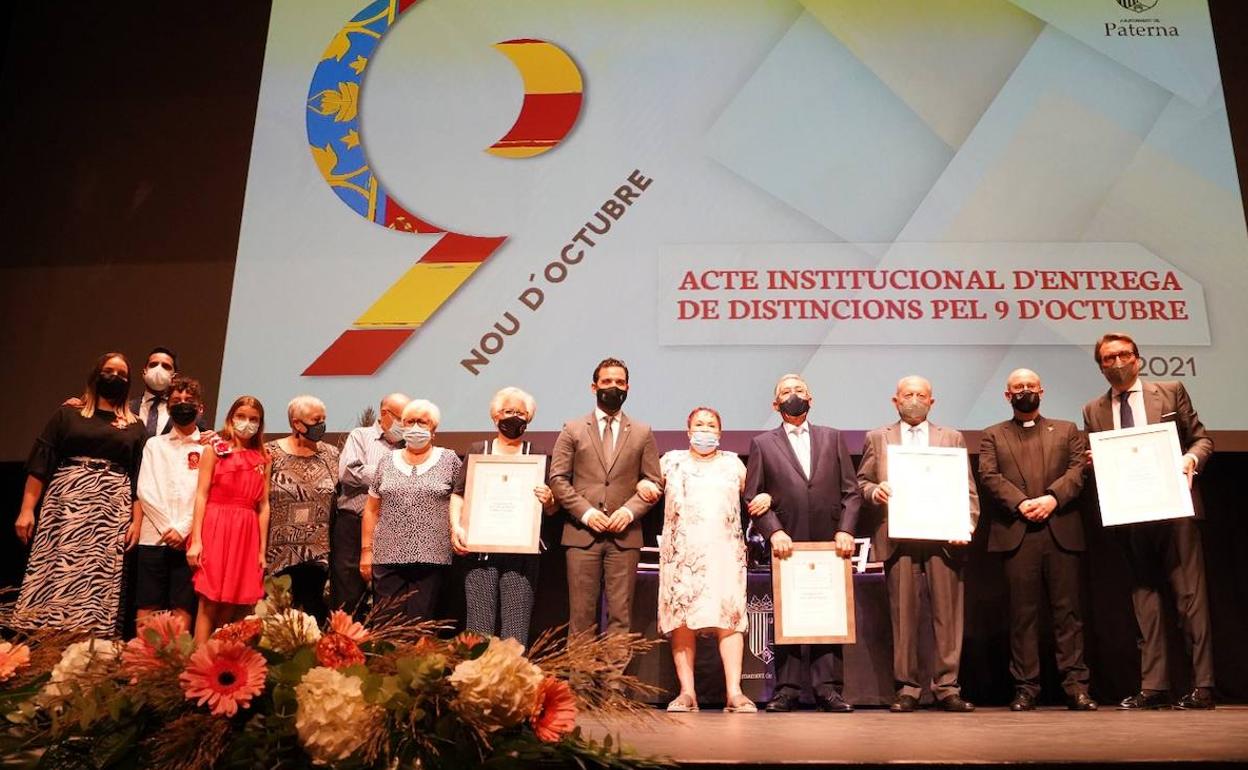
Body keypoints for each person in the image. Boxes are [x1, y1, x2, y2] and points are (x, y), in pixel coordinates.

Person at [1082, 332, 1216, 710]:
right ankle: (1153, 686)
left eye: (1124, 354)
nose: (1117, 362)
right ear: (1101, 367)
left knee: (1190, 598)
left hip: (1174, 507)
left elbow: (1201, 440)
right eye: (1109, 358)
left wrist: (1190, 460)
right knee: (1145, 600)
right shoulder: (1094, 410)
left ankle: (1202, 685)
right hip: (1131, 512)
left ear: (1138, 359)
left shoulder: (1170, 391)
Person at [857, 375, 979, 713]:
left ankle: (947, 687)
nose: (914, 399)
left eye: (920, 394)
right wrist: (873, 491)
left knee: (948, 615)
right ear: (895, 400)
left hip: (943, 536)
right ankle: (907, 687)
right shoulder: (877, 437)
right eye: (907, 394)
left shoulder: (951, 437)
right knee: (903, 615)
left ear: (932, 401)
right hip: (899, 535)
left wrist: (965, 525)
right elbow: (862, 482)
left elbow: (966, 487)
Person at [978, 369, 1096, 711]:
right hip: (1018, 533)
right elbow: (988, 475)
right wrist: (1021, 502)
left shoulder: (1067, 430)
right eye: (1018, 387)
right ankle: (1026, 688)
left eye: (1030, 386)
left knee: (1068, 614)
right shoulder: (992, 435)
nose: (1024, 391)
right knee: (1022, 616)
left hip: (1060, 529)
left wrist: (1052, 499)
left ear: (1041, 390)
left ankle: (1076, 687)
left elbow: (1078, 470)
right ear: (1007, 395)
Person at [637, 407, 768, 714]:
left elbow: (753, 497)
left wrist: (763, 498)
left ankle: (734, 693)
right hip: (681, 555)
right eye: (699, 424)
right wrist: (644, 486)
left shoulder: (733, 464)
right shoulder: (671, 461)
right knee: (682, 620)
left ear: (720, 433)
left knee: (729, 619)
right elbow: (650, 488)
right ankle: (687, 692)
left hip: (725, 553)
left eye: (711, 425)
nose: (705, 430)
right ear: (688, 430)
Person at [744, 373, 862, 713]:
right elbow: (753, 494)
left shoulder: (833, 437)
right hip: (787, 541)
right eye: (786, 391)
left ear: (811, 397)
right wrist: (773, 530)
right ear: (775, 404)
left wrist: (846, 530)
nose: (793, 395)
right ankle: (787, 688)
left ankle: (828, 689)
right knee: (790, 615)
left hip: (829, 542)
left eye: (799, 390)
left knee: (827, 613)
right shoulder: (763, 444)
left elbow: (851, 493)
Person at [12, 352, 146, 637]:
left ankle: (89, 644)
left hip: (111, 509)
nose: (116, 377)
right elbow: (40, 465)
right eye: (110, 371)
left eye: (123, 375)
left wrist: (136, 521)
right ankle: (44, 643)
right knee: (56, 567)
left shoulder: (135, 425)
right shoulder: (68, 414)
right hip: (65, 504)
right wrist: (26, 510)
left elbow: (139, 478)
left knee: (98, 576)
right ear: (96, 374)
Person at [549, 357, 661, 639]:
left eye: (619, 382)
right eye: (607, 381)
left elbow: (653, 481)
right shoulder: (572, 429)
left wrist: (630, 511)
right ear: (594, 386)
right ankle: (582, 684)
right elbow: (558, 479)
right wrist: (586, 512)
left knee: (620, 618)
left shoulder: (642, 432)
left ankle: (612, 684)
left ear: (628, 387)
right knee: (581, 618)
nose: (614, 387)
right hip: (581, 533)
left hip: (625, 536)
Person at [450, 387, 556, 646]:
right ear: (495, 416)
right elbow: (459, 494)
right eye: (508, 411)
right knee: (478, 630)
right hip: (479, 552)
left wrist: (550, 499)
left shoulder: (537, 454)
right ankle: (476, 683)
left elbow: (553, 508)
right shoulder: (479, 450)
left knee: (515, 631)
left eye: (520, 412)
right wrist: (456, 528)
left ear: (529, 418)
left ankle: (513, 684)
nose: (514, 417)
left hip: (522, 554)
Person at [360, 399, 461, 622]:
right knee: (386, 626)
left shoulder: (449, 459)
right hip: (387, 557)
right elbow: (371, 510)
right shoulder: (386, 461)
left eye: (422, 422)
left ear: (434, 429)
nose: (415, 427)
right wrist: (366, 551)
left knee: (421, 627)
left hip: (432, 559)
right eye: (409, 421)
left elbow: (461, 500)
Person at [187, 396, 271, 646]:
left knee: (233, 602)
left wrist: (261, 550)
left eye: (253, 419)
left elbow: (263, 505)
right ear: (231, 418)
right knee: (209, 600)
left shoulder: (263, 459)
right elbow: (201, 495)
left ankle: (222, 661)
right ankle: (199, 662)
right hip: (216, 526)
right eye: (242, 416)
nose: (247, 423)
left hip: (246, 531)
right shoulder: (213, 450)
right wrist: (196, 540)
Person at [133, 374, 206, 630]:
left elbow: (205, 494)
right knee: (148, 603)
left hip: (189, 540)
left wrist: (183, 529)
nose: (182, 404)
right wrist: (168, 528)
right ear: (168, 406)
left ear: (200, 408)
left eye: (189, 400)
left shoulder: (209, 449)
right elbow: (146, 489)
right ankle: (143, 665)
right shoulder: (155, 445)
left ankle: (173, 665)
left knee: (182, 606)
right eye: (176, 400)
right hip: (154, 535)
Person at [334, 392, 410, 616]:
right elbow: (349, 471)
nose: (405, 426)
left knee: (388, 597)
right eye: (402, 420)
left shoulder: (407, 447)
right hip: (354, 525)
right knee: (348, 594)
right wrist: (391, 475)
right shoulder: (361, 436)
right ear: (385, 414)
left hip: (390, 528)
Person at [265, 395, 340, 624]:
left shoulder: (331, 454)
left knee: (313, 618)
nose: (321, 425)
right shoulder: (271, 452)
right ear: (297, 423)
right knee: (276, 618)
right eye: (316, 419)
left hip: (317, 553)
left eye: (324, 419)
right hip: (277, 553)